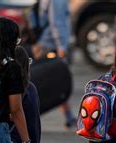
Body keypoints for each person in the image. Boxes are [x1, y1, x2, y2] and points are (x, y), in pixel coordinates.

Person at [30, 0, 76, 129]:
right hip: (52, 45)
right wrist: (61, 46)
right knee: (55, 79)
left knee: (54, 80)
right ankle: (31, 116)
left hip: (44, 43)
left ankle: (69, 116)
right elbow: (58, 23)